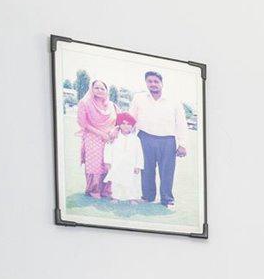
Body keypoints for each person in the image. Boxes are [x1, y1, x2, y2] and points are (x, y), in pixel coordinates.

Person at [128, 69, 191, 207]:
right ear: (146, 83)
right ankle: (147, 197)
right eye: (150, 81)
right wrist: (124, 133)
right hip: (144, 138)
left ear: (162, 83)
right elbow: (131, 118)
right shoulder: (139, 98)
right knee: (146, 170)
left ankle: (167, 200)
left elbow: (181, 123)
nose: (153, 84)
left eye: (156, 81)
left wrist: (182, 144)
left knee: (167, 172)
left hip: (167, 140)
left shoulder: (174, 101)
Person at [74, 79, 117, 199]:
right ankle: (93, 190)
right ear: (91, 89)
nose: (99, 90)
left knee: (107, 163)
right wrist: (100, 133)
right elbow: (83, 123)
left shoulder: (112, 105)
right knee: (95, 164)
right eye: (96, 88)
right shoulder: (85, 103)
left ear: (106, 91)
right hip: (92, 137)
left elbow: (119, 121)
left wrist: (115, 130)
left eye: (102, 88)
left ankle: (106, 190)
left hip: (109, 139)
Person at [105, 113, 144, 202]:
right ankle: (115, 197)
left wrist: (138, 166)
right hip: (117, 163)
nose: (126, 126)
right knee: (116, 181)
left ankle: (132, 198)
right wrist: (108, 161)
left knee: (131, 182)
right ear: (119, 125)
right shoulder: (114, 137)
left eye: (129, 124)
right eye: (123, 123)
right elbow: (108, 149)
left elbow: (139, 153)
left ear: (132, 126)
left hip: (130, 165)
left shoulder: (136, 139)